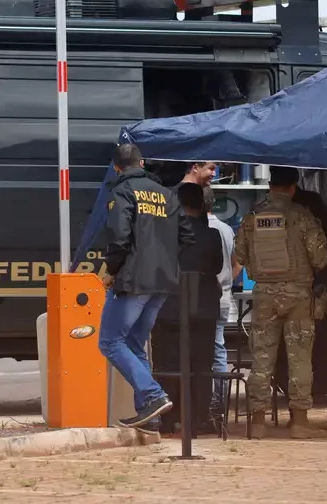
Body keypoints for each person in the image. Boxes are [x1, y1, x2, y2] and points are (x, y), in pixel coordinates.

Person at [98, 143, 195, 428]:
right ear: (141, 163)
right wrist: (164, 260)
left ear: (117, 168)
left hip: (134, 280)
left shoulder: (122, 192)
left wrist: (112, 270)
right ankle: (149, 416)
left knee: (110, 342)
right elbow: (187, 237)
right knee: (135, 344)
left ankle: (153, 395)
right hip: (163, 282)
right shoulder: (168, 195)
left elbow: (119, 237)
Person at [234, 166, 327, 439]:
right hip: (298, 295)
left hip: (264, 294)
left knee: (261, 359)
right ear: (292, 187)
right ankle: (299, 422)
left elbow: (241, 254)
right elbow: (320, 258)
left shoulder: (253, 216)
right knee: (299, 358)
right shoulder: (301, 216)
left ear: (270, 184)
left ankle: (258, 423)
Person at [274, 181, 327, 429]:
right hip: (312, 292)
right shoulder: (310, 205)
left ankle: (292, 415)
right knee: (326, 351)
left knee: (285, 354)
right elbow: (322, 254)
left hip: (275, 292)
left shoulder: (263, 210)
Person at [150, 182, 225, 435]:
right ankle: (199, 418)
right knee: (202, 365)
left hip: (168, 307)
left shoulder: (163, 234)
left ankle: (170, 418)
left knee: (169, 362)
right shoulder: (212, 235)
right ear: (201, 206)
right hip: (203, 307)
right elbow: (216, 267)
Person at [205, 187, 237, 424]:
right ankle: (219, 403)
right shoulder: (226, 229)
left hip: (204, 299)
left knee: (201, 351)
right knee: (218, 350)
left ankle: (208, 403)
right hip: (224, 298)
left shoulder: (194, 229)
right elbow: (238, 264)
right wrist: (226, 283)